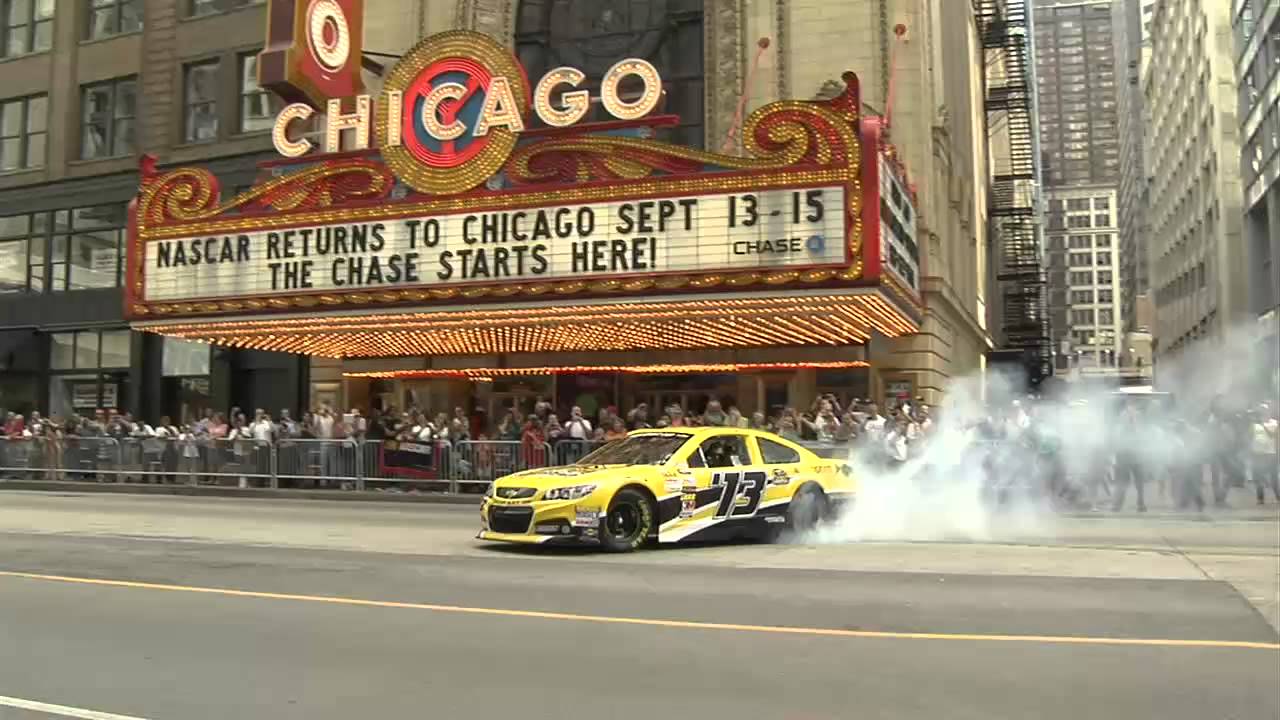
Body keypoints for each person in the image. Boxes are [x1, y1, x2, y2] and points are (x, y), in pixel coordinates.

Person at [1111, 399, 1147, 512]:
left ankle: (1140, 503)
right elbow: (1117, 438)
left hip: (1135, 454)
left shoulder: (1137, 419)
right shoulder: (1121, 420)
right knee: (1123, 481)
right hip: (1125, 454)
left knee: (1138, 482)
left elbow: (1140, 435)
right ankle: (1118, 504)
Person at [1249, 405, 1279, 505]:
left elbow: (1272, 435)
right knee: (1258, 476)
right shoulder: (1254, 424)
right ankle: (1260, 498)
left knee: (1273, 477)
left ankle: (1278, 495)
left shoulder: (1274, 423)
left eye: (1265, 411)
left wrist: (1263, 424)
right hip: (1258, 453)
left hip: (1270, 453)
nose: (1263, 413)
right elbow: (1250, 436)